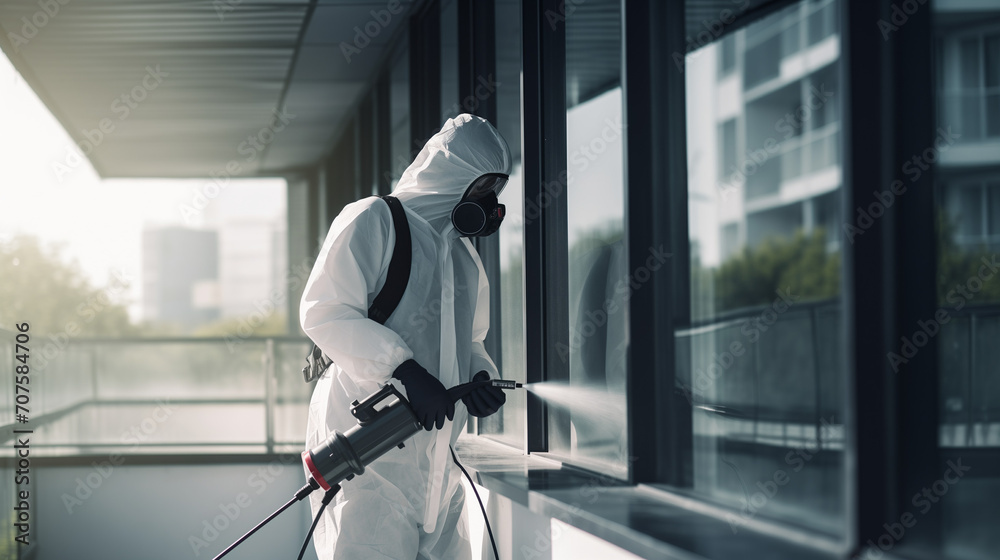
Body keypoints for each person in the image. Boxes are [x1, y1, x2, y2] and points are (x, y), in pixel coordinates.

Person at [299, 113, 512, 560]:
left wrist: (481, 378)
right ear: (452, 174)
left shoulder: (464, 257)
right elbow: (325, 312)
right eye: (483, 189)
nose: (490, 204)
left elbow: (473, 342)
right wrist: (405, 370)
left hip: (440, 470)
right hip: (369, 462)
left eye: (495, 192)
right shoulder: (375, 220)